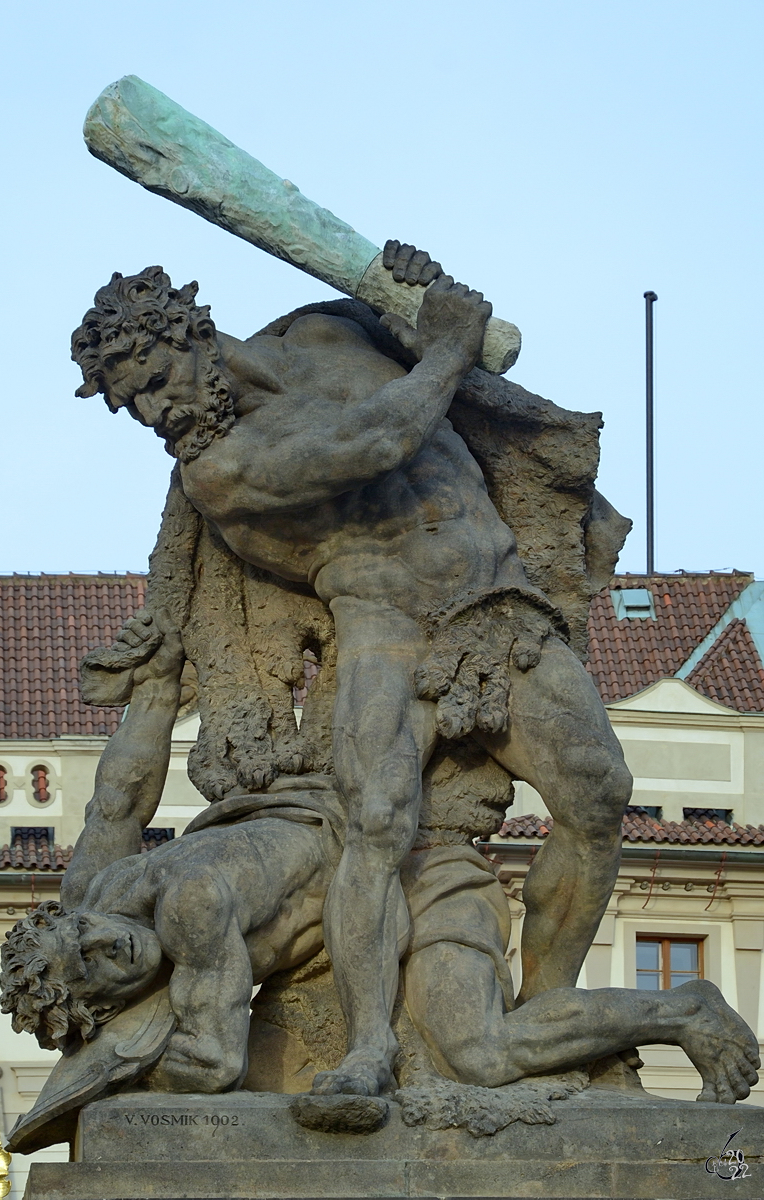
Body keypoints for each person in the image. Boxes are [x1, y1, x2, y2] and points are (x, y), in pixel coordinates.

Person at [70, 243, 635, 1097]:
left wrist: (414, 286)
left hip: (497, 600)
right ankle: (370, 1048)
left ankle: (550, 1006)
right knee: (376, 825)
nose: (152, 411)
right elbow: (381, 438)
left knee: (600, 797)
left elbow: (429, 331)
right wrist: (447, 343)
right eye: (131, 405)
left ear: (187, 332)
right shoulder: (221, 471)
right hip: (387, 631)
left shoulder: (324, 328)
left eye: (152, 379)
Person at [1, 611, 760, 1106]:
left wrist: (107, 1067)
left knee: (480, 1050)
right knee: (484, 1055)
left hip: (418, 871)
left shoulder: (182, 906)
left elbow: (211, 1060)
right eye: (99, 967)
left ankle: (684, 1010)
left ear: (71, 916)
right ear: (99, 1000)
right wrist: (159, 693)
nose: (108, 942)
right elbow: (119, 795)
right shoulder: (105, 901)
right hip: (341, 910)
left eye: (85, 935)